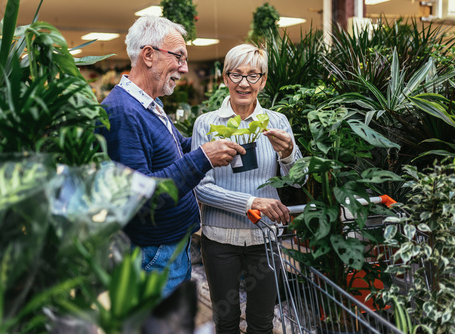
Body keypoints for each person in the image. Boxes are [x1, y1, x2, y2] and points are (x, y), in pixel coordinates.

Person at [96, 16, 245, 297]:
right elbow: (141, 196)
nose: (184, 68)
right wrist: (203, 157)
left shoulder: (150, 104)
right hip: (152, 257)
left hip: (169, 249)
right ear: (149, 55)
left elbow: (176, 148)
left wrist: (213, 138)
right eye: (179, 56)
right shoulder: (122, 113)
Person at [191, 44, 304, 334]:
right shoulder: (206, 124)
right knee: (226, 322)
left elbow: (297, 181)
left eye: (253, 75)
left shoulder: (278, 123)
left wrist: (289, 154)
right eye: (236, 74)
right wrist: (252, 202)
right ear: (225, 78)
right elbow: (202, 189)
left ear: (263, 81)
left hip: (265, 239)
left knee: (262, 322)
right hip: (219, 240)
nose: (244, 83)